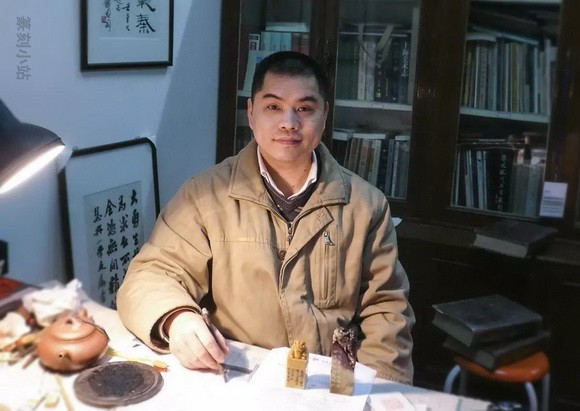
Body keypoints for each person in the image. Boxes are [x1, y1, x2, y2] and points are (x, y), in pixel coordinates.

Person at [117, 51, 415, 384]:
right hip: (240, 375)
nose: (289, 122)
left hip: (328, 383)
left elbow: (386, 310)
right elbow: (150, 275)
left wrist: (377, 388)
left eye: (305, 108)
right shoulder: (204, 195)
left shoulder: (365, 204)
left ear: (324, 115)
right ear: (251, 112)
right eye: (273, 106)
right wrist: (177, 319)